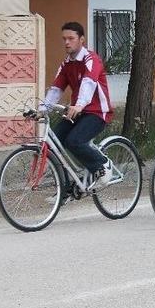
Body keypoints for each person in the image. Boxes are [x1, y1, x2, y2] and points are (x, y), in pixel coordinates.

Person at [41, 21, 114, 190]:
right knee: (53, 142)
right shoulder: (67, 64)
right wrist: (42, 109)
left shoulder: (91, 59)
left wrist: (79, 105)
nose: (67, 42)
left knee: (74, 141)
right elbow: (56, 89)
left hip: (97, 112)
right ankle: (65, 189)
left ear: (81, 40)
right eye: (64, 39)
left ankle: (103, 164)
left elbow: (88, 83)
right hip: (77, 112)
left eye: (71, 38)